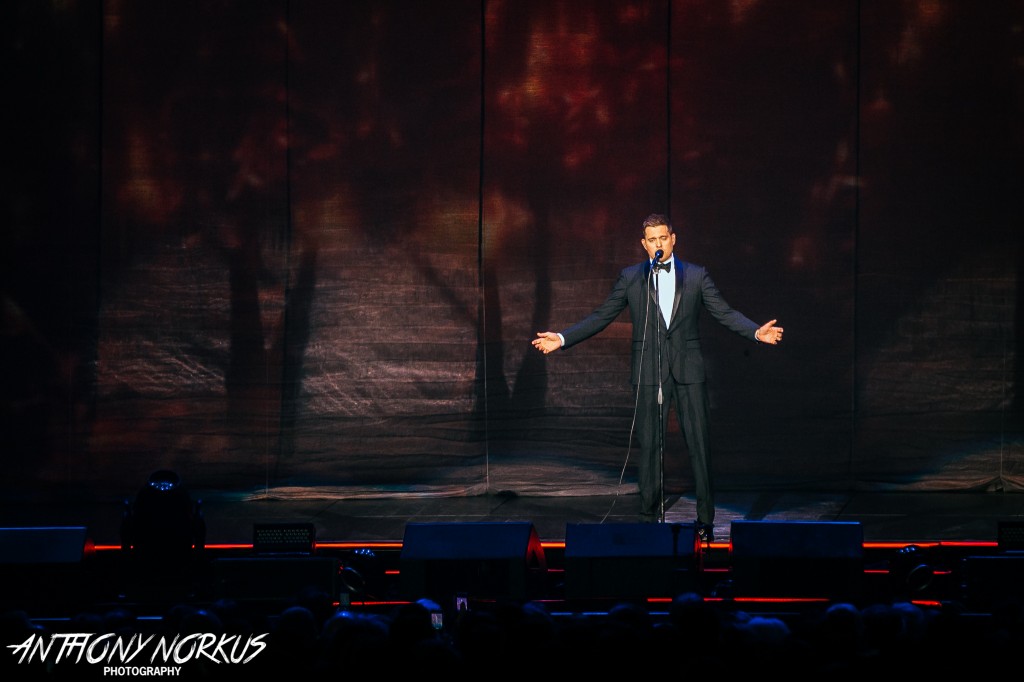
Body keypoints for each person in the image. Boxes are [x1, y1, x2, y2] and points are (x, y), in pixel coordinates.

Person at [532, 213, 782, 540]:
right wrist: (563, 338)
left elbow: (723, 311)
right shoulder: (631, 278)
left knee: (699, 447)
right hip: (649, 374)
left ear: (673, 239)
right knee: (649, 449)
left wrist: (754, 332)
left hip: (689, 373)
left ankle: (705, 522)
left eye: (663, 238)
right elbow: (602, 316)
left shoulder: (695, 276)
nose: (658, 244)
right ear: (644, 244)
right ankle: (648, 524)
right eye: (652, 240)